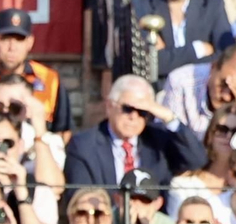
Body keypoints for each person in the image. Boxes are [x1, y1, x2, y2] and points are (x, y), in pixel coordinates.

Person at [62, 75, 207, 206]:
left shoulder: (158, 140)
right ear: (109, 106)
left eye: (142, 111)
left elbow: (196, 160)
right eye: (128, 109)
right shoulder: (83, 145)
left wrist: (169, 117)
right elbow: (78, 198)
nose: (133, 117)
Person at [158, 45, 236, 145]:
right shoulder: (181, 82)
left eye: (233, 92)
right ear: (213, 67)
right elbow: (174, 139)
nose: (226, 96)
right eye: (222, 85)